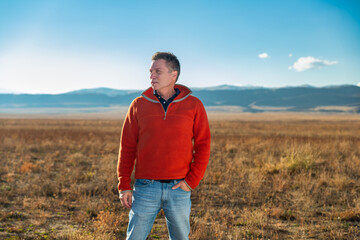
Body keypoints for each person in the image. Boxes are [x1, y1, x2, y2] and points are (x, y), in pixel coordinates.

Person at [117, 52, 211, 240]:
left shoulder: (193, 105)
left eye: (157, 71)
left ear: (173, 75)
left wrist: (191, 181)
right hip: (145, 188)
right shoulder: (138, 105)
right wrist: (124, 185)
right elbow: (127, 147)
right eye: (151, 71)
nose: (152, 75)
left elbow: (203, 145)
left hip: (179, 188)